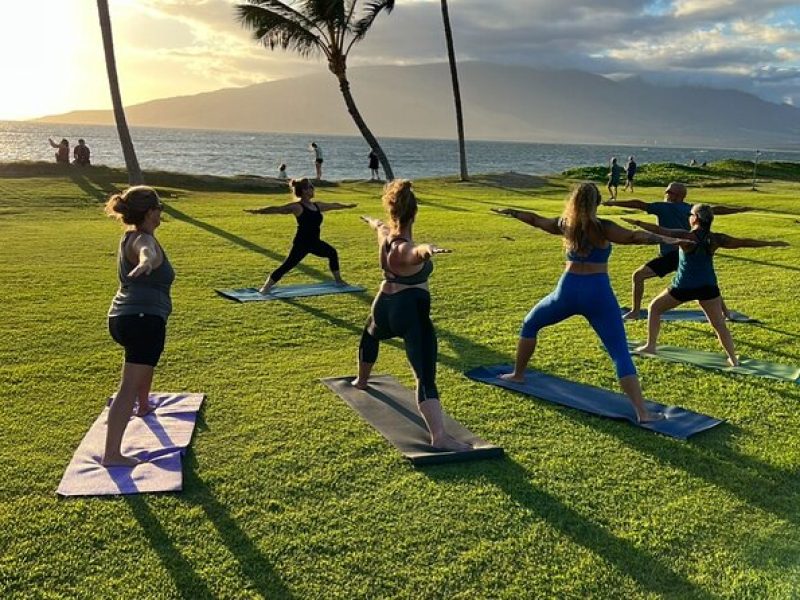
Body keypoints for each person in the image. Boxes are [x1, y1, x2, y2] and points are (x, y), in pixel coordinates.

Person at [491, 183, 691, 423]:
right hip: (598, 292)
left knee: (530, 324)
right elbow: (635, 237)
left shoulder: (565, 225)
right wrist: (668, 239)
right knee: (619, 352)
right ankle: (642, 412)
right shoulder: (603, 228)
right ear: (597, 203)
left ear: (573, 201)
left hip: (567, 290)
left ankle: (517, 374)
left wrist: (512, 212)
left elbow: (535, 219)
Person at [353, 180, 471, 450]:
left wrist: (370, 219)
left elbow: (377, 225)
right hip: (410, 312)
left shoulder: (385, 235)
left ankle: (361, 381)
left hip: (382, 305)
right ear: (414, 213)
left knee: (370, 333)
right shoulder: (406, 248)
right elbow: (417, 251)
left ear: (391, 211)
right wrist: (430, 250)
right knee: (424, 375)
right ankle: (439, 436)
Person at [623, 205, 788, 366]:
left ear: (695, 219)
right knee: (719, 324)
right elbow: (743, 242)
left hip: (683, 287)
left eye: (691, 214)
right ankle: (733, 359)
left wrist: (638, 223)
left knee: (655, 308)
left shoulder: (686, 237)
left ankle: (651, 346)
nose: (689, 217)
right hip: (708, 287)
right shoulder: (716, 239)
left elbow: (662, 231)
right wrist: (771, 243)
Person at [604, 182, 752, 319]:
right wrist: (739, 210)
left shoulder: (663, 207)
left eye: (669, 192)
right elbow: (716, 210)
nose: (666, 194)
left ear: (678, 195)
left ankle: (635, 312)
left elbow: (639, 204)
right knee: (707, 283)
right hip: (687, 254)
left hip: (673, 255)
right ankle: (726, 313)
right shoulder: (691, 209)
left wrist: (614, 202)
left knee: (638, 276)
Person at [104, 186, 174, 466]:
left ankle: (143, 406)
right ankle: (112, 455)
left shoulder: (130, 237)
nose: (161, 214)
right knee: (128, 386)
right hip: (142, 320)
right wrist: (146, 263)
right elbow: (147, 253)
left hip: (126, 318)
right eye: (159, 209)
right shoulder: (143, 240)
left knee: (141, 366)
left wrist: (148, 262)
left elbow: (147, 251)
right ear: (149, 212)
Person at [245, 177, 355, 294]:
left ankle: (339, 281)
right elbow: (279, 209)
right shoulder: (298, 207)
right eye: (310, 188)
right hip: (301, 244)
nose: (313, 189)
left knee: (332, 253)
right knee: (287, 266)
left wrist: (347, 206)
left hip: (315, 242)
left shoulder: (317, 206)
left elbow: (333, 205)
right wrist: (258, 211)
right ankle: (265, 288)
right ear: (304, 191)